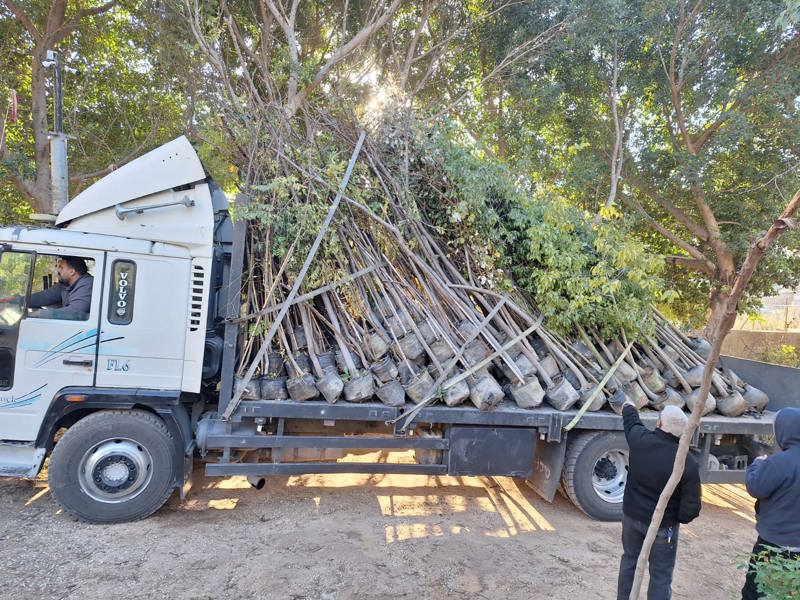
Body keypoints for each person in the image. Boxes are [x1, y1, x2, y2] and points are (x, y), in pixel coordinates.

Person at [617, 400, 702, 600]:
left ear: (659, 424)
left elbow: (632, 423)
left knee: (629, 561)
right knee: (660, 575)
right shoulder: (687, 462)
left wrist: (628, 406)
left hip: (632, 518)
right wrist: (674, 518)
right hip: (664, 528)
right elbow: (691, 508)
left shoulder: (641, 440)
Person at [741, 407, 800, 600]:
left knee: (756, 593)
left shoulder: (779, 463)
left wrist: (758, 464)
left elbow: (755, 487)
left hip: (772, 546)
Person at [28, 256, 93, 317]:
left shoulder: (87, 284)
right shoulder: (65, 284)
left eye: (61, 267)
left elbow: (74, 311)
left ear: (72, 272)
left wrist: (41, 314)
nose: (58, 270)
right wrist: (21, 300)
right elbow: (45, 296)